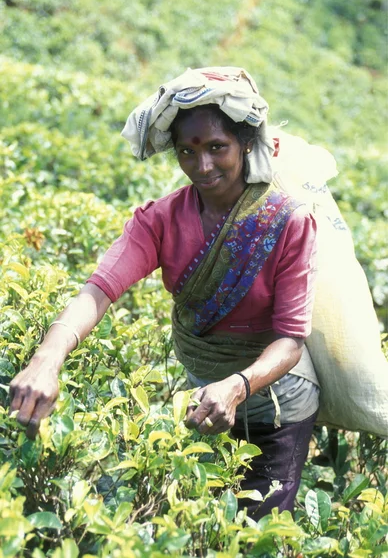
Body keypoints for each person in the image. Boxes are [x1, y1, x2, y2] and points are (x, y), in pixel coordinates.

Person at [8, 67, 320, 520]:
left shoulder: (287, 221)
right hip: (202, 401)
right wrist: (46, 360)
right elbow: (98, 290)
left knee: (258, 535)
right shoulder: (161, 219)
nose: (203, 165)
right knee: (200, 526)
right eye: (187, 151)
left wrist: (237, 386)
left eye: (217, 147)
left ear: (246, 144)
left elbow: (291, 339)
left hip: (278, 410)